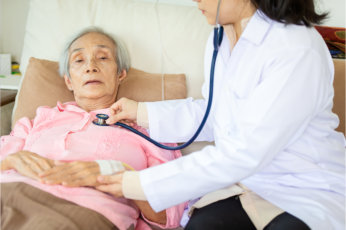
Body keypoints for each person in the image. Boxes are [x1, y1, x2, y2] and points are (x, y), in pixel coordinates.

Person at [82, 0, 345, 230]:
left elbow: (245, 151)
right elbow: (216, 113)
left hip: (305, 187)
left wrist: (136, 184)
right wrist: (140, 111)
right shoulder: (220, 37)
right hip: (249, 184)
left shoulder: (295, 47)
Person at [0, 27, 185, 230]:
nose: (91, 67)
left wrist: (120, 176)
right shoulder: (38, 120)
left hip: (76, 211)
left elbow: (169, 215)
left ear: (120, 74)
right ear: (68, 81)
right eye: (79, 60)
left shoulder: (150, 130)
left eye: (103, 57)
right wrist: (10, 160)